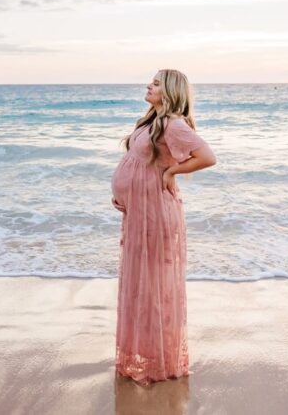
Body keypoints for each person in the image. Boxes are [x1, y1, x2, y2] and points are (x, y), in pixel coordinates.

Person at [111, 69, 217, 385]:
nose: (149, 85)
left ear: (169, 91)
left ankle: (159, 359)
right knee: (141, 283)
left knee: (153, 286)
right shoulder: (150, 122)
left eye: (156, 83)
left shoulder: (173, 124)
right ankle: (144, 353)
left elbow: (207, 156)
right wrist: (125, 195)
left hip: (155, 213)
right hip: (140, 213)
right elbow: (137, 164)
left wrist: (171, 173)